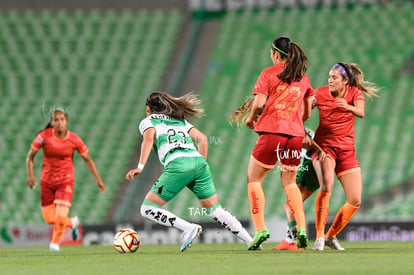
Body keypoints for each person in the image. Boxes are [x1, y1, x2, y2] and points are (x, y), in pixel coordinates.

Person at [125, 91, 253, 252]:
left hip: (178, 164)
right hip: (199, 163)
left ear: (148, 109)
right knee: (216, 210)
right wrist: (200, 165)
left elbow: (148, 139)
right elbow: (203, 140)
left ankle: (188, 228)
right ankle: (251, 241)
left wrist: (140, 167)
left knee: (147, 209)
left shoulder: (148, 121)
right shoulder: (180, 121)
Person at [229, 36, 315, 250]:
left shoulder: (268, 73)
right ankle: (302, 229)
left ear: (276, 54)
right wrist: (295, 122)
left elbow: (258, 103)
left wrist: (250, 118)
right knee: (290, 183)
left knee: (254, 180)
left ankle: (260, 229)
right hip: (295, 136)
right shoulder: (302, 78)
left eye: (271, 52)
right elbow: (306, 110)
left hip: (272, 133)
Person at [312, 62, 380, 251]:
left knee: (355, 199)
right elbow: (305, 107)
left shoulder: (354, 93)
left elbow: (361, 112)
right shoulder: (320, 93)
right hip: (324, 148)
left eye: (334, 77)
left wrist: (347, 107)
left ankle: (330, 236)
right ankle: (318, 235)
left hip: (346, 150)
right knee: (327, 186)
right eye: (329, 77)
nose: (330, 80)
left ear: (345, 81)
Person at [26, 108, 106, 252]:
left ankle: (54, 243)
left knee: (60, 216)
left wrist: (98, 180)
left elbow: (88, 159)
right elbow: (30, 157)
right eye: (56, 120)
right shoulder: (43, 136)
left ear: (67, 122)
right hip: (47, 181)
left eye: (62, 119)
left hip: (65, 181)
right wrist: (30, 176)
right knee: (50, 219)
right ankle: (73, 222)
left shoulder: (74, 140)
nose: (59, 122)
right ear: (52, 122)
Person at [271, 127, 325, 250]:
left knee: (290, 204)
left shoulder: (284, 129)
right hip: (318, 166)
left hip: (306, 164)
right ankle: (290, 239)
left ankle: (296, 236)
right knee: (295, 203)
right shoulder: (304, 128)